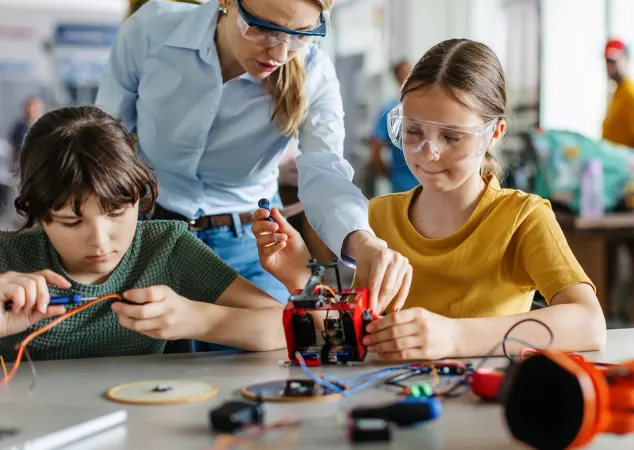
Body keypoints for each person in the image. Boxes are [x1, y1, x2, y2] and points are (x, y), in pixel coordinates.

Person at [253, 39, 607, 360]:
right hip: (394, 404)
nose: (429, 153)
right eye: (413, 132)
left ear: (494, 134)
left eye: (452, 137)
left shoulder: (522, 218)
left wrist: (454, 337)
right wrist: (302, 282)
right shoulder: (376, 217)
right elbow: (358, 337)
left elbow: (589, 324)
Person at [95, 0, 411, 323]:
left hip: (253, 246)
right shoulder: (150, 32)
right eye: (262, 29)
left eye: (301, 35)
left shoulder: (314, 70)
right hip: (149, 236)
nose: (278, 54)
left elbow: (324, 170)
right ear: (226, 2)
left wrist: (363, 240)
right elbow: (106, 143)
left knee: (266, 357)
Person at [0, 106, 287, 361]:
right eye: (72, 222)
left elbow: (288, 326)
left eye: (115, 213)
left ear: (139, 194)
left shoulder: (165, 248)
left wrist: (198, 319)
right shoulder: (7, 259)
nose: (100, 241)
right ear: (35, 211)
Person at [369, 60, 419, 193]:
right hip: (402, 184)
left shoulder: (428, 106)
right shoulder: (389, 111)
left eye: (412, 72)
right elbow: (375, 146)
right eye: (405, 74)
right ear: (397, 78)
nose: (409, 77)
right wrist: (385, 173)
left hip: (427, 182)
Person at [601, 39, 634, 151]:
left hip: (627, 164)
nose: (610, 67)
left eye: (614, 61)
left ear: (626, 59)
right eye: (607, 61)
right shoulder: (617, 94)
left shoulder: (633, 97)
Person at [9, 96, 44, 167]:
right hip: (22, 165)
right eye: (28, 107)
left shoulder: (45, 127)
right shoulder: (18, 128)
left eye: (34, 108)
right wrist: (13, 166)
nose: (30, 110)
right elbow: (14, 149)